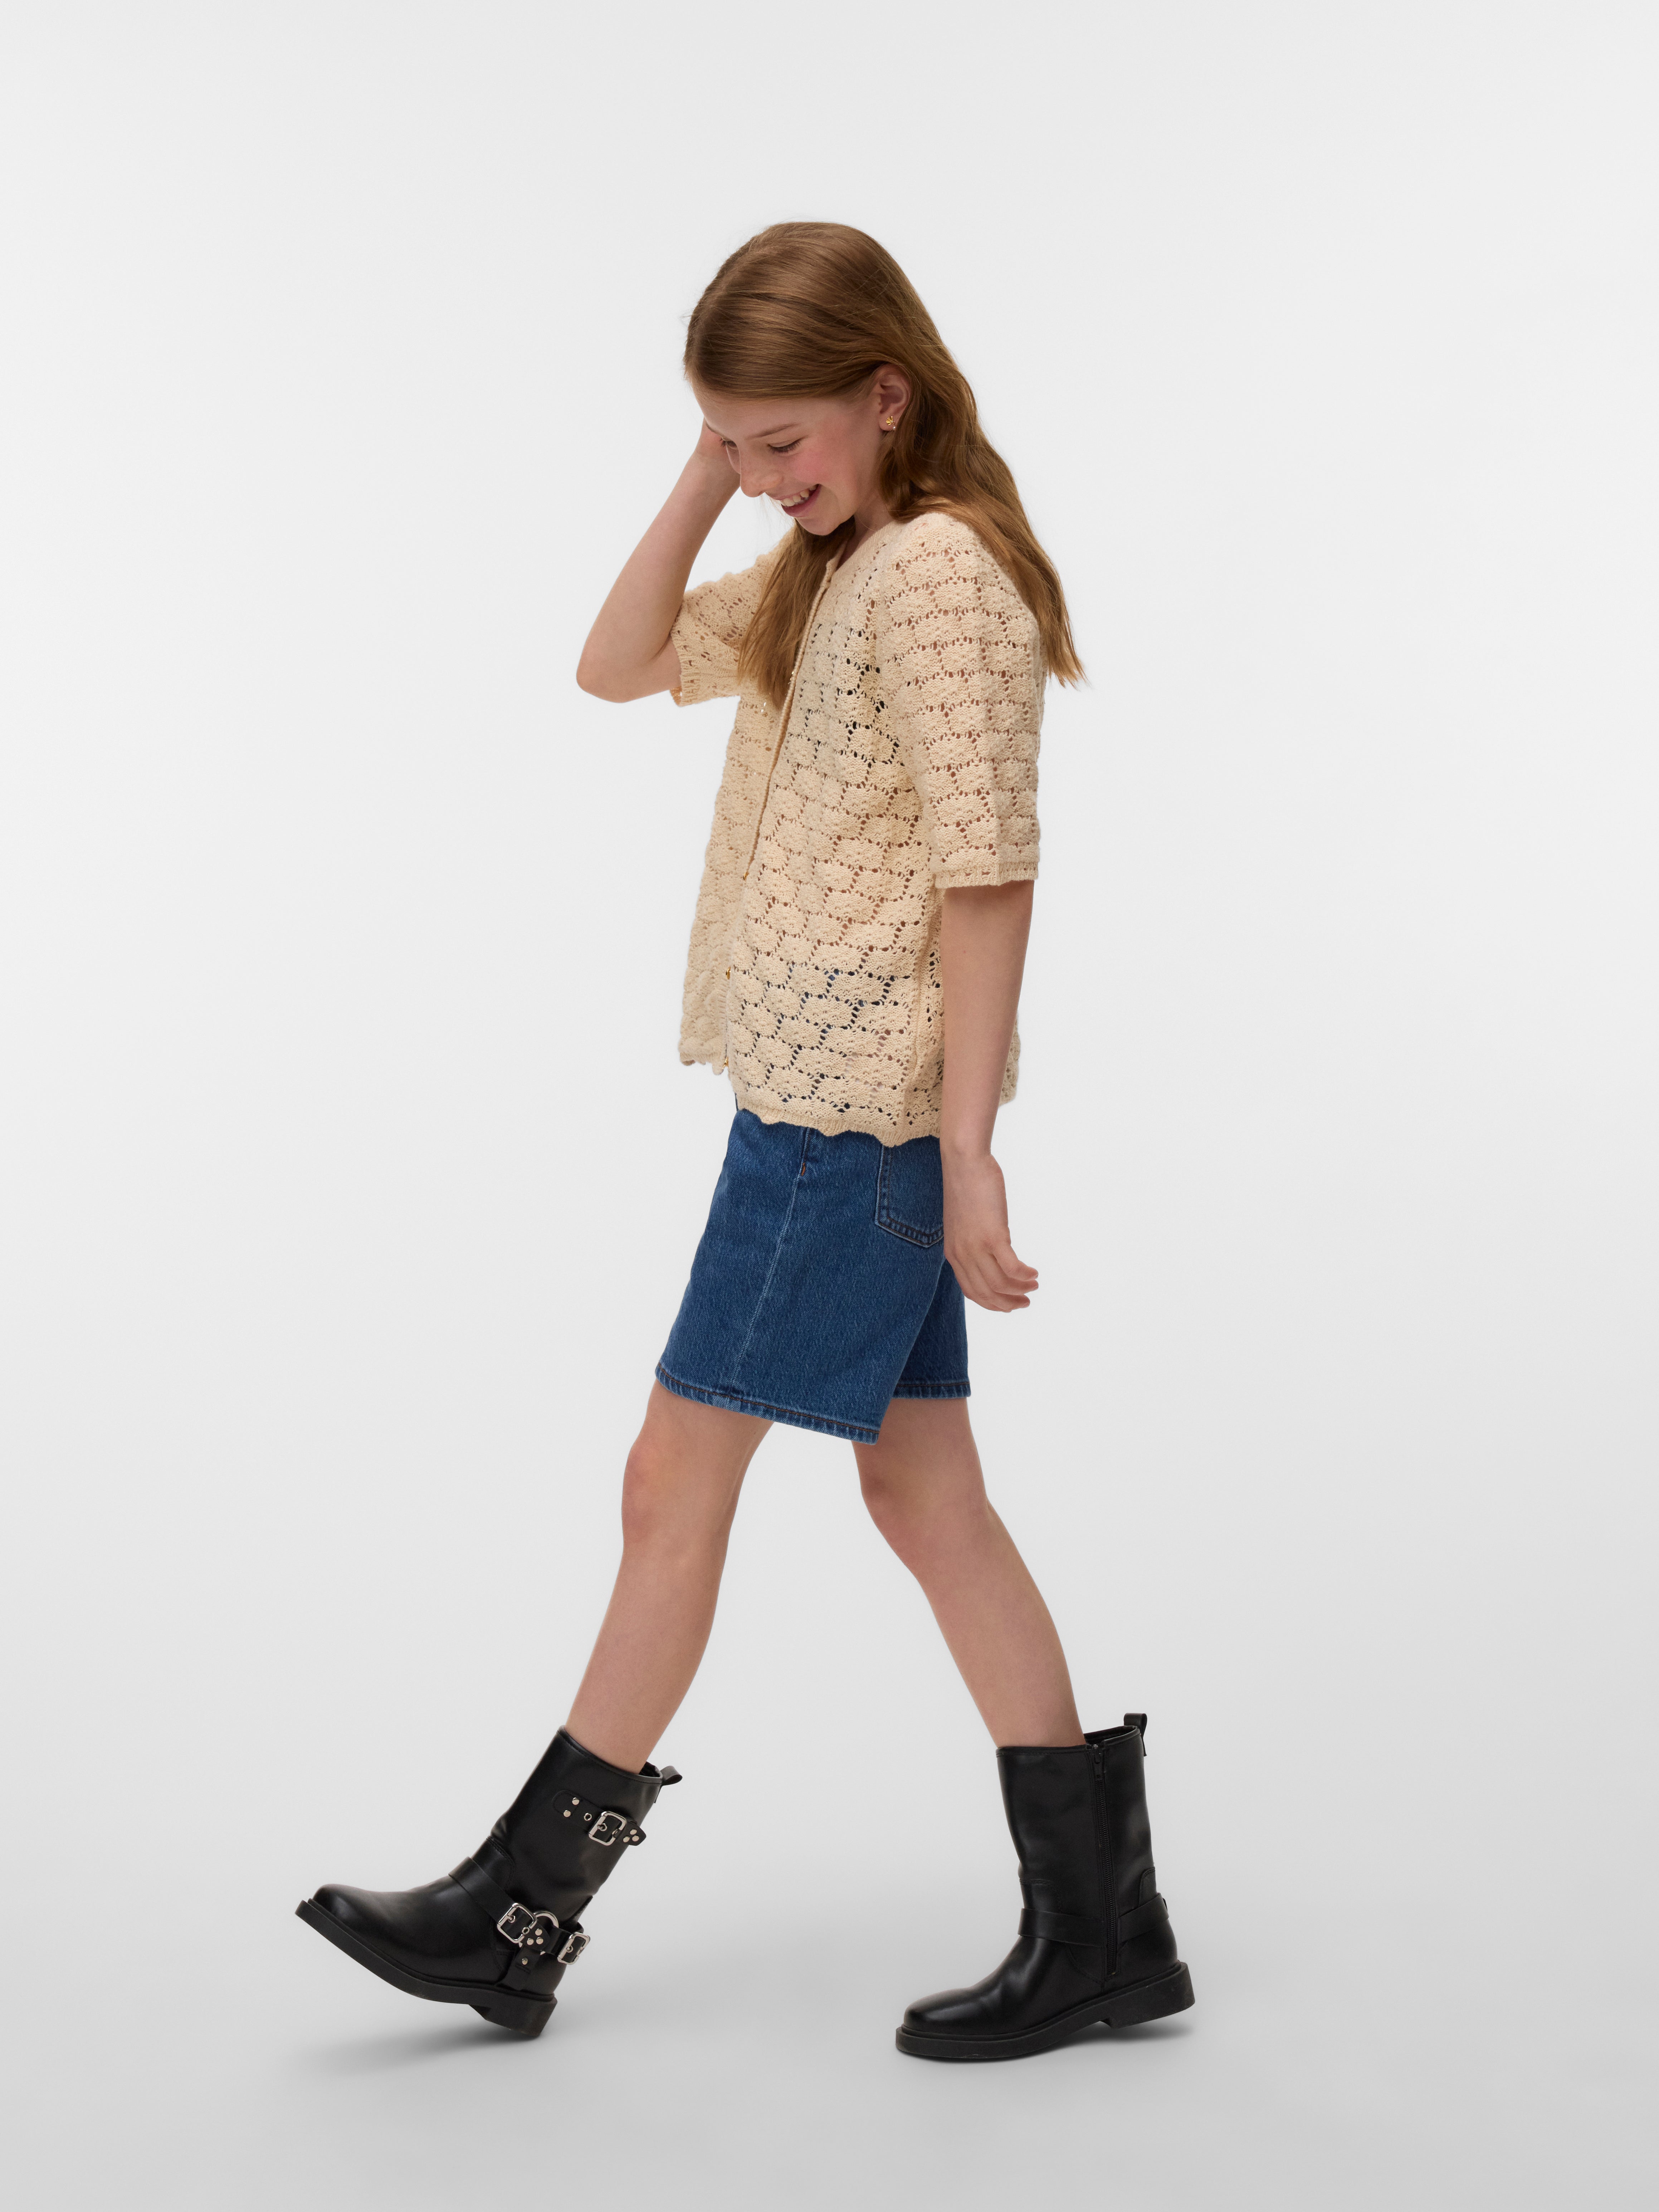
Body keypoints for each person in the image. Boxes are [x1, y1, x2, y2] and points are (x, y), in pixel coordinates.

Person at [297, 222, 1192, 2061]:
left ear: (888, 394)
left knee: (669, 1482)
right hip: (815, 1105)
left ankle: (517, 1914)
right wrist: (714, 473)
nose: (765, 474)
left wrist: (965, 1151)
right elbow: (612, 663)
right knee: (923, 1496)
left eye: (785, 441)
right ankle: (1106, 1931)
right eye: (734, 442)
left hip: (848, 1125)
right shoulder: (829, 558)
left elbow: (990, 871)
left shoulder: (934, 573)